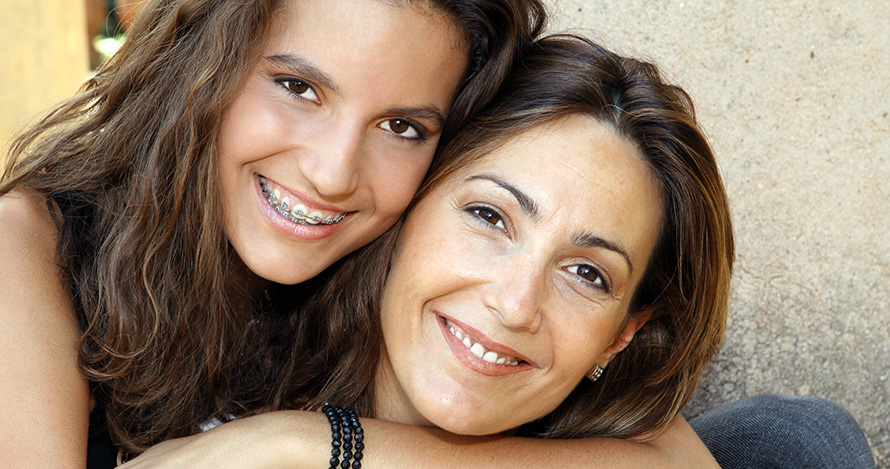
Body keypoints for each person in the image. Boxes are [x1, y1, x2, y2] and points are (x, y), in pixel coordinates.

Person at [125, 34, 875, 469]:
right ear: (408, 206)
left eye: (587, 273)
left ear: (623, 332)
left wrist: (316, 445)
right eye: (490, 215)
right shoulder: (196, 387)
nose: (515, 302)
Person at [0, 0, 547, 466]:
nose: (333, 174)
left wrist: (303, 443)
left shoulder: (396, 295)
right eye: (298, 87)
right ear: (201, 65)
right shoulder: (27, 246)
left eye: (401, 127)